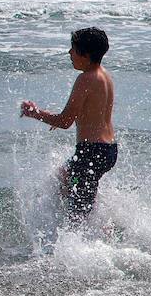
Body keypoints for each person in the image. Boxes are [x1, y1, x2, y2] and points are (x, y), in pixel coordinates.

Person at [20, 27, 118, 220]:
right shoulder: (104, 76)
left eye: (73, 49)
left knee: (78, 211)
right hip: (107, 150)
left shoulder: (85, 78)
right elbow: (90, 113)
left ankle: (84, 242)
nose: (70, 53)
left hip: (91, 151)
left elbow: (65, 121)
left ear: (85, 54)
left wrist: (35, 113)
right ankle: (98, 227)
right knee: (64, 178)